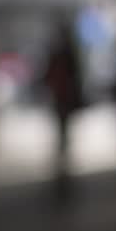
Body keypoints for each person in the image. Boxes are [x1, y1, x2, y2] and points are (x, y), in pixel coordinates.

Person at [43, 16, 82, 200]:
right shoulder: (66, 55)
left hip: (62, 101)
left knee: (63, 138)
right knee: (63, 138)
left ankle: (62, 166)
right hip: (62, 101)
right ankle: (62, 167)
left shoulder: (62, 55)